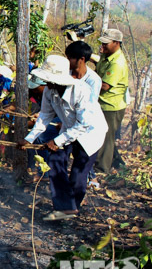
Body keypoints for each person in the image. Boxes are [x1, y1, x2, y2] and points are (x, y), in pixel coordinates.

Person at [18, 55, 108, 221]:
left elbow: (83, 125)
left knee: (78, 173)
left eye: (50, 80)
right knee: (55, 161)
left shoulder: (81, 91)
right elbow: (44, 116)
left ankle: (71, 210)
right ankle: (64, 208)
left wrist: (57, 141)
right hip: (69, 130)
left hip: (91, 133)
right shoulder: (49, 92)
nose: (48, 84)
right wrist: (29, 138)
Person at [65, 41, 103, 188]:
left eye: (70, 58)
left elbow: (89, 109)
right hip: (68, 123)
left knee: (80, 166)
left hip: (86, 127)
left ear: (81, 59)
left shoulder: (94, 80)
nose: (68, 61)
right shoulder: (66, 75)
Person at [95, 29, 129, 173]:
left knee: (107, 138)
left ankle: (103, 168)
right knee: (104, 136)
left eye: (106, 43)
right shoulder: (106, 55)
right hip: (102, 103)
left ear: (116, 43)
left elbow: (104, 85)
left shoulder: (117, 63)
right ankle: (118, 163)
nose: (103, 46)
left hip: (111, 106)